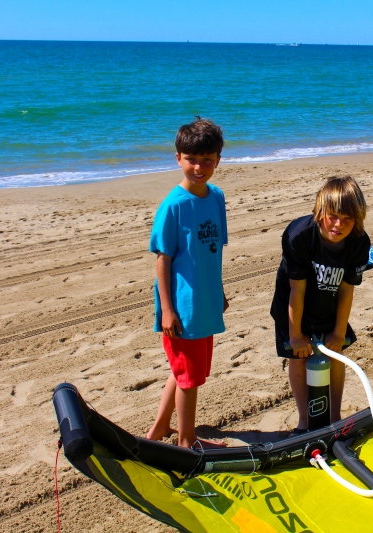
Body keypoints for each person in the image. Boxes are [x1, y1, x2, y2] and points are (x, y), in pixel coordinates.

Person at [146, 117, 228, 449]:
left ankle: (160, 428)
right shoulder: (173, 206)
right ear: (178, 158)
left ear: (218, 160)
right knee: (189, 378)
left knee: (184, 371)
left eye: (207, 160)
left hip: (205, 301)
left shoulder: (216, 197)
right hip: (182, 307)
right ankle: (186, 441)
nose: (199, 167)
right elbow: (162, 260)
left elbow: (214, 250)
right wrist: (167, 310)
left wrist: (219, 291)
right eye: (191, 159)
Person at [270, 176, 370, 434]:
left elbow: (347, 290)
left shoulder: (359, 241)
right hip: (293, 303)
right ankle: (305, 421)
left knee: (335, 354)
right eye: (333, 216)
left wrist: (338, 332)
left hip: (331, 302)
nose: (339, 225)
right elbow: (297, 289)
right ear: (319, 211)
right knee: (298, 356)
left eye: (348, 219)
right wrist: (295, 335)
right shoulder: (299, 236)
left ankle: (335, 417)